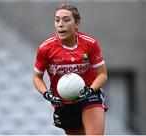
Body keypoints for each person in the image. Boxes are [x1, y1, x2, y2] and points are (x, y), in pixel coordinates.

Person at [33, 3, 108, 135]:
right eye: (57, 20)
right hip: (63, 102)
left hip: (89, 95)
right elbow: (37, 77)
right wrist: (46, 94)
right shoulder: (45, 48)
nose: (60, 24)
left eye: (66, 20)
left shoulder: (89, 43)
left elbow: (102, 75)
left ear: (76, 23)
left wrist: (89, 90)